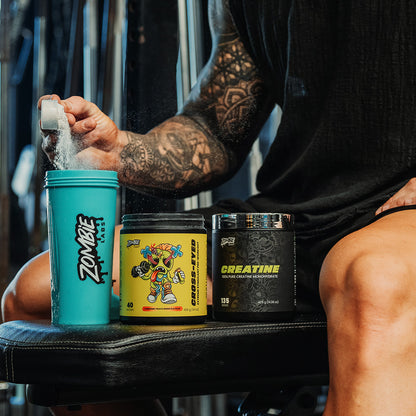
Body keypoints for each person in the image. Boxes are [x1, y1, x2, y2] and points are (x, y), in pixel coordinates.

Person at [3, 0, 416, 414]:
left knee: (371, 279)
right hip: (287, 223)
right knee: (38, 295)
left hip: (396, 213)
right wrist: (118, 153)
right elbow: (216, 128)